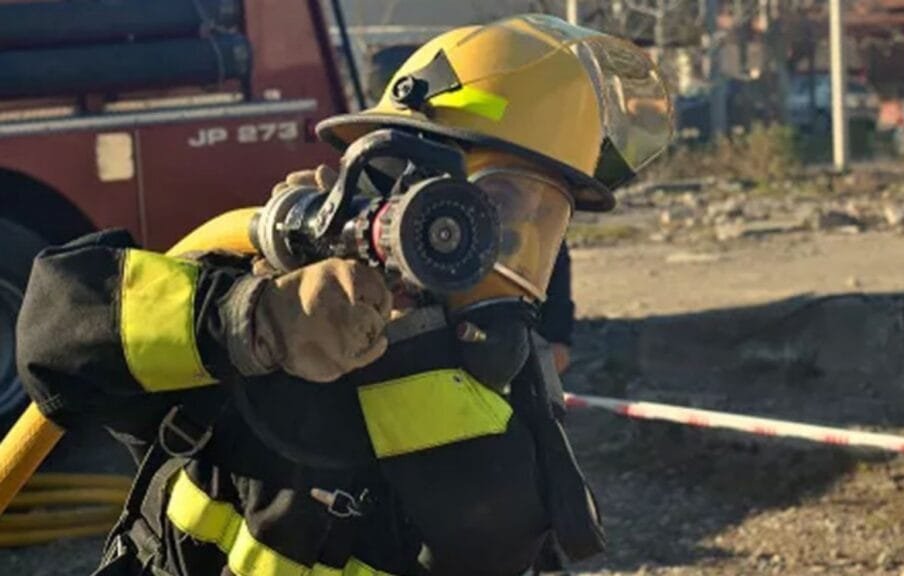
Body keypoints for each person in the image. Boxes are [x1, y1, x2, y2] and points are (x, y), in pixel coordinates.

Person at [17, 15, 671, 576]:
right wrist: (252, 321)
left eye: (542, 224)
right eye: (496, 209)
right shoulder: (252, 312)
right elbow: (55, 334)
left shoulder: (495, 393)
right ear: (398, 181)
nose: (510, 251)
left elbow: (505, 540)